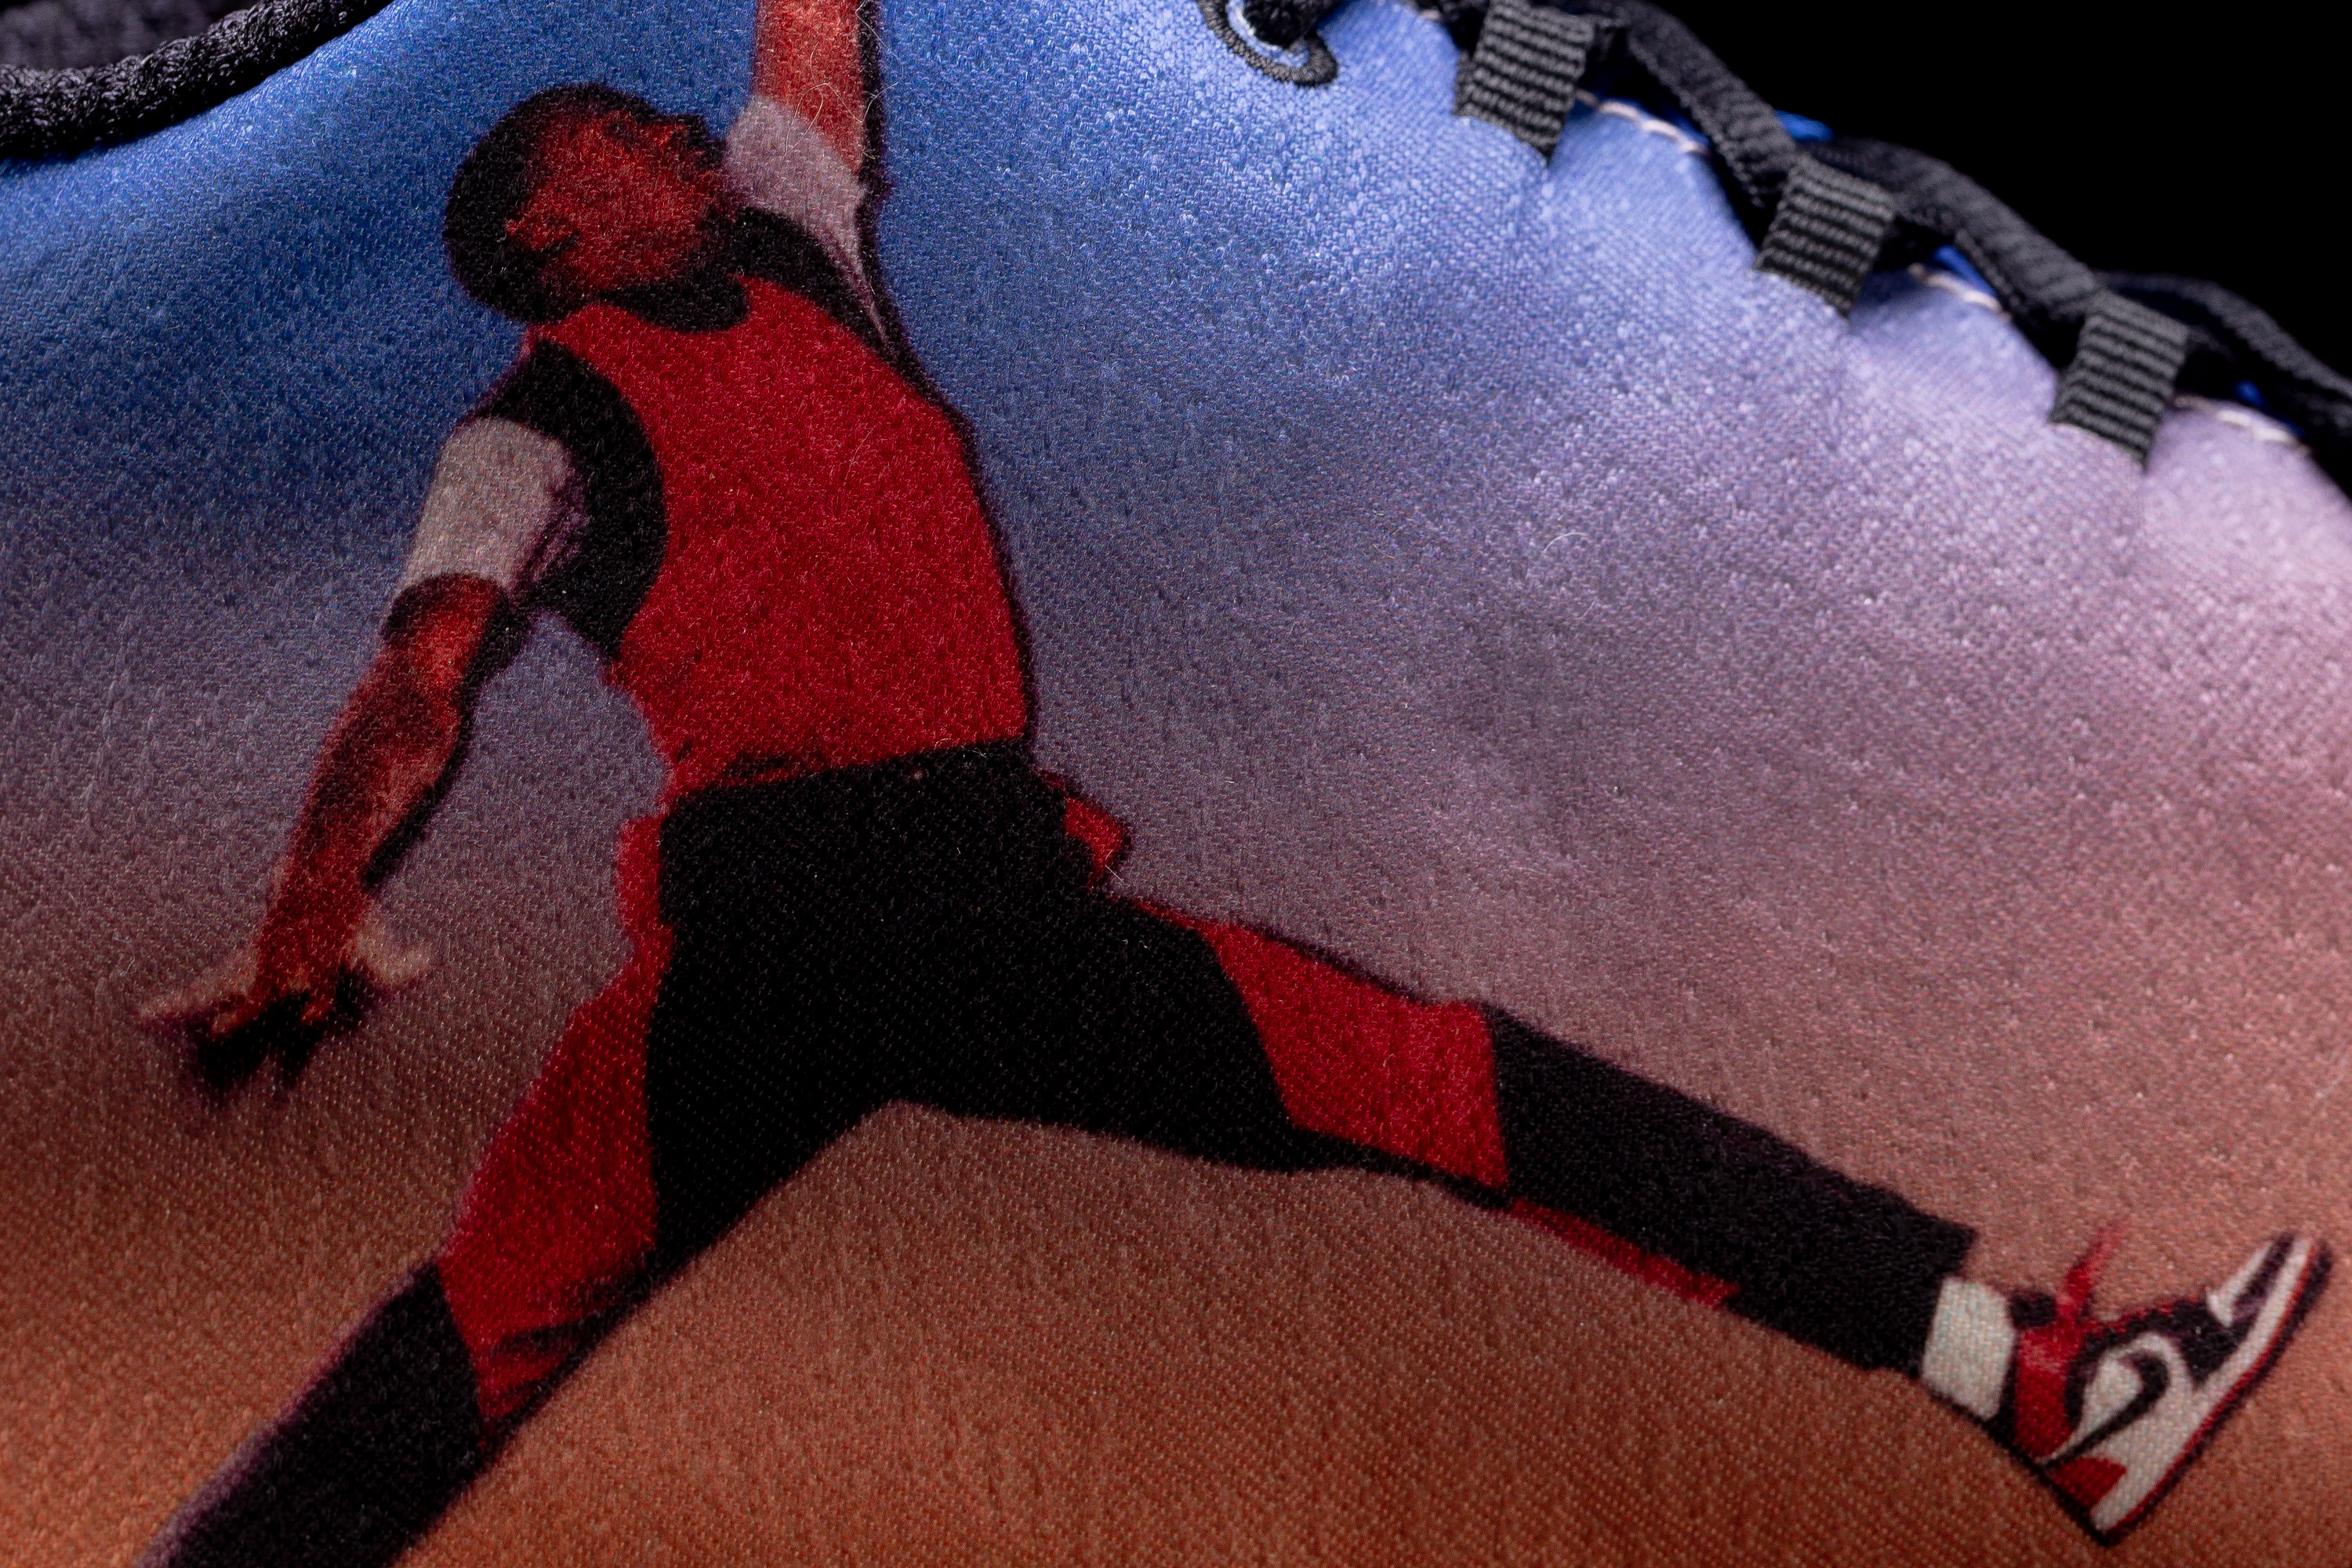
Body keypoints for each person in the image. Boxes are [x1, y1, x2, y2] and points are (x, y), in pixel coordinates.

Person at [133, 1, 2329, 1559]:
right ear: (549, 242)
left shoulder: (788, 237)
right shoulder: (531, 426)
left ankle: (2029, 1381)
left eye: (660, 116)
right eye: (619, 138)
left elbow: (809, 40)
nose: (674, 134)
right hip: (786, 927)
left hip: (975, 890)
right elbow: (421, 673)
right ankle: (2029, 1381)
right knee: (475, 1337)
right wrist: (315, 900)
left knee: (1450, 1091)